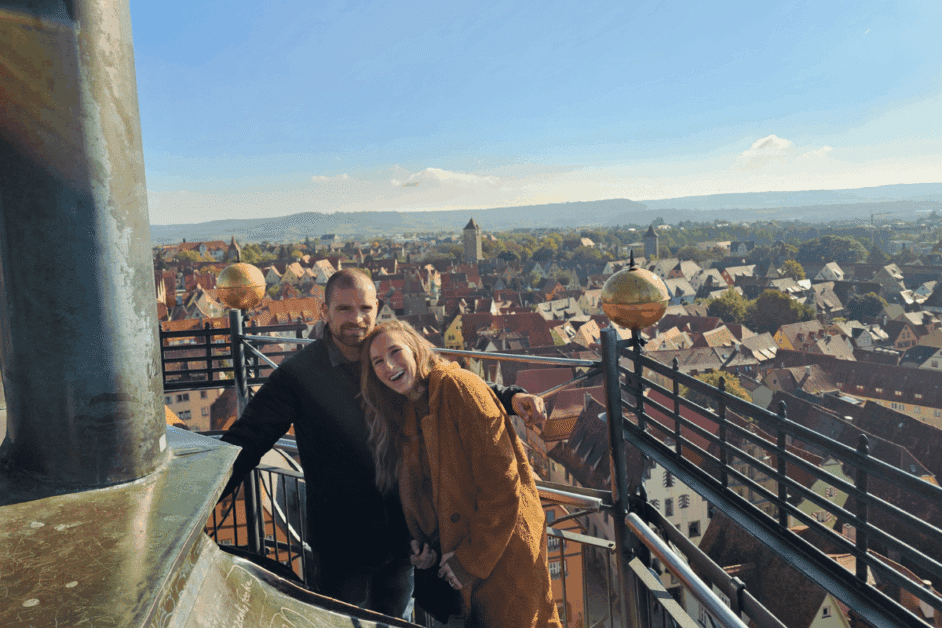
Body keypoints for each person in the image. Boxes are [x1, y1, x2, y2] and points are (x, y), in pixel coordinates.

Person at [219, 269, 547, 620]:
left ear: (377, 309)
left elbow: (440, 380)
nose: (356, 320)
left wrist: (509, 397)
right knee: (342, 622)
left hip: (402, 539)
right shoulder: (298, 375)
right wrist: (206, 493)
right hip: (343, 546)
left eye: (365, 308)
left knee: (396, 620)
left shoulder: (387, 356)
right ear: (324, 312)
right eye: (344, 309)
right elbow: (248, 439)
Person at [361, 320, 562, 627]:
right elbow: (431, 492)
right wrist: (424, 549)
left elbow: (503, 484)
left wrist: (469, 562)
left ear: (416, 349)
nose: (388, 366)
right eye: (377, 362)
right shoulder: (404, 408)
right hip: (457, 564)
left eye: (395, 351)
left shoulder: (458, 387)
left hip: (500, 555)